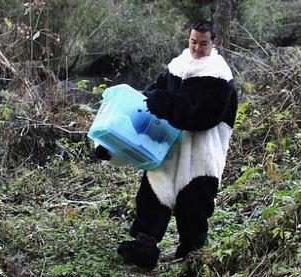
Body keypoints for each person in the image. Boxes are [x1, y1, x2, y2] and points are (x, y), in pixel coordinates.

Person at [94, 20, 238, 268]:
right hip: (166, 144)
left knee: (193, 203)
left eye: (203, 43)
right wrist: (113, 141)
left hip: (201, 151)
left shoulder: (220, 76)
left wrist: (164, 104)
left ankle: (191, 252)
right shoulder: (177, 66)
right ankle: (145, 244)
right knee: (153, 192)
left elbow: (202, 117)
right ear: (188, 38)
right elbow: (149, 99)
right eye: (193, 42)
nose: (196, 48)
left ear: (215, 42)